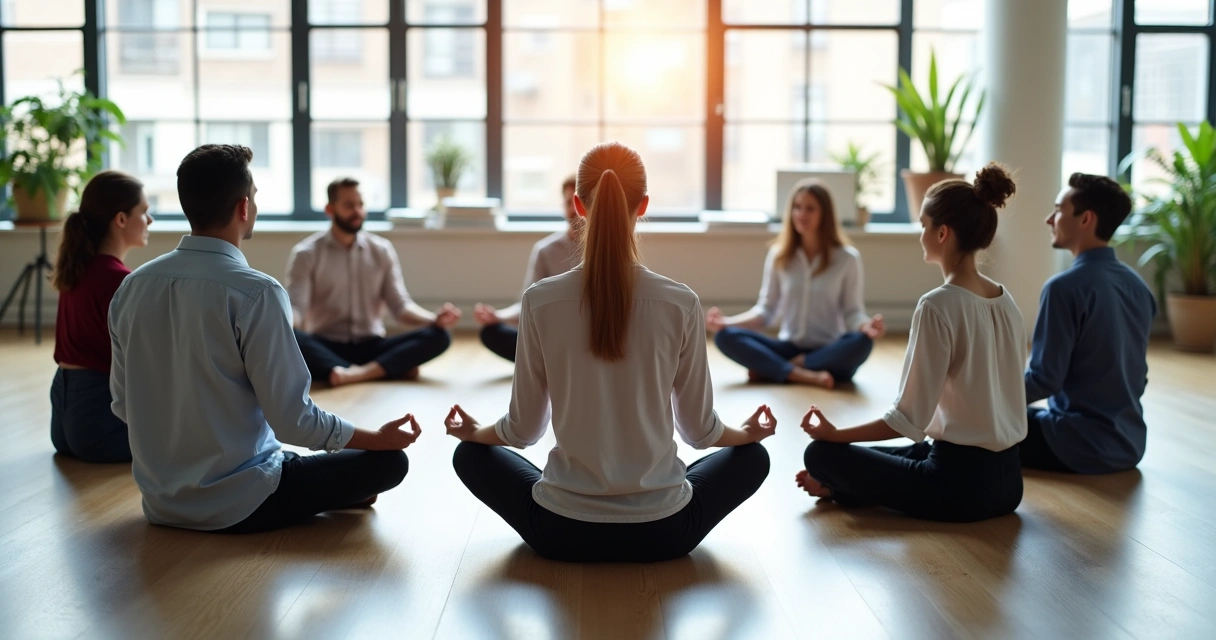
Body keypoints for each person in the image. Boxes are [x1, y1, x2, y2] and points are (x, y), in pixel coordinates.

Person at [447, 142, 774, 563]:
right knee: (754, 459)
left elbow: (523, 430)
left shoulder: (540, 301)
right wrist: (747, 435)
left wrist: (475, 433)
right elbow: (700, 433)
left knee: (469, 456)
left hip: (560, 531)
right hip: (666, 532)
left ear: (578, 206)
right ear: (644, 206)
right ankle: (660, 489)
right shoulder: (680, 302)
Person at [109, 145, 418, 533]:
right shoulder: (256, 291)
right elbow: (294, 422)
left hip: (160, 504)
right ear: (243, 207)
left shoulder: (131, 287)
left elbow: (122, 405)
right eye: (254, 197)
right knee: (389, 462)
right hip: (243, 503)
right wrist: (376, 438)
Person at [796, 164, 1026, 522]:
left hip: (958, 489)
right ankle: (842, 488)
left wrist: (835, 434)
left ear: (942, 233)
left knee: (822, 455)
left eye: (923, 226)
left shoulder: (937, 304)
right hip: (1010, 483)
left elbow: (906, 420)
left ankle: (842, 483)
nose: (920, 235)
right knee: (915, 451)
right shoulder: (1005, 299)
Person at [1021, 173, 1156, 474]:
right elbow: (1139, 377)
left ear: (1086, 219)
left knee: (974, 420)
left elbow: (1044, 380)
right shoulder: (1138, 287)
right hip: (1129, 445)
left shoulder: (1063, 288)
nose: (1049, 219)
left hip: (1076, 444)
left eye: (1057, 210)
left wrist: (984, 396)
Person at [708, 180, 884, 388]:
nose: (801, 214)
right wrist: (726, 323)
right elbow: (765, 311)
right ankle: (802, 374)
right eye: (797, 207)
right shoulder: (779, 256)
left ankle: (782, 369)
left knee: (861, 343)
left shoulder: (847, 259)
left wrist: (867, 326)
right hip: (788, 346)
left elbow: (852, 312)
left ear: (825, 214)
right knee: (725, 337)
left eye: (810, 208)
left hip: (828, 351)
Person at [286, 177, 459, 387]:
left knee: (440, 336)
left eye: (360, 204)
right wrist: (282, 322)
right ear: (330, 209)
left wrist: (434, 320)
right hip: (326, 345)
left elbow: (400, 307)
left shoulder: (382, 250)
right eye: (349, 205)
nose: (357, 211)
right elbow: (298, 309)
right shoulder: (306, 254)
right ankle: (385, 368)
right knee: (291, 339)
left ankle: (353, 373)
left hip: (373, 345)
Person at [49, 171, 151, 463]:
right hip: (99, 427)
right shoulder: (121, 281)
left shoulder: (77, 269)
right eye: (144, 212)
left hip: (63, 425)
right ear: (120, 219)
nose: (150, 221)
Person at [474, 176, 582, 362]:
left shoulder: (605, 249)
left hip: (589, 336)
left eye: (578, 202)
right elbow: (528, 303)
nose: (573, 209)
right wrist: (498, 316)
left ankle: (551, 362)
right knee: (491, 333)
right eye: (567, 202)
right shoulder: (545, 250)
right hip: (552, 336)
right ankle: (553, 360)